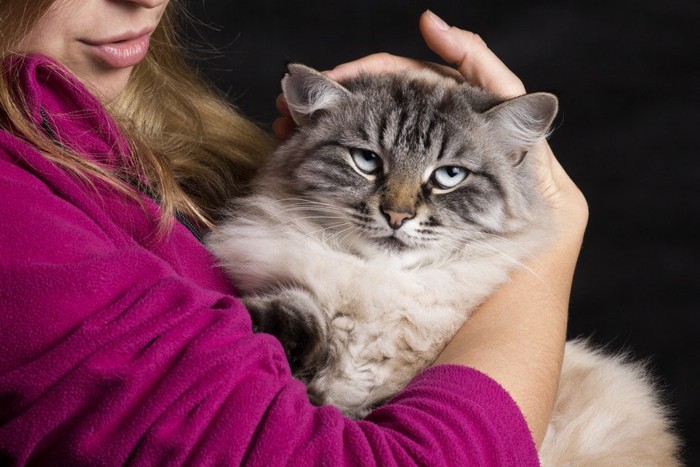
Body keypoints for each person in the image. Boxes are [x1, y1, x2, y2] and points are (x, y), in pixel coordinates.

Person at [0, 1, 587, 464]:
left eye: (448, 174)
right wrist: (557, 230)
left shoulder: (90, 129)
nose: (401, 208)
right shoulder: (17, 221)